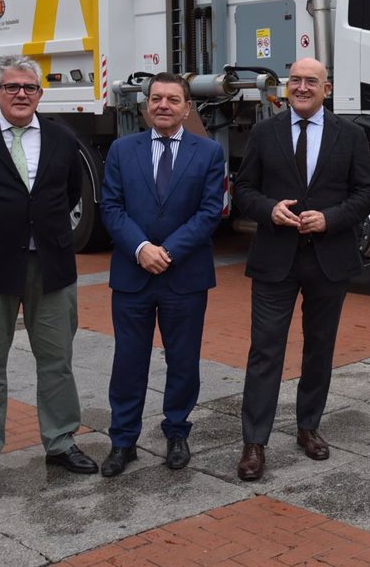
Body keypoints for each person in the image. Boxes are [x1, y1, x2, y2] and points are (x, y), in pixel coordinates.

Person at [0, 55, 98, 490]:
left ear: (40, 94)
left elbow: (68, 195)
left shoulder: (64, 140)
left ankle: (61, 441)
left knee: (56, 360)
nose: (21, 94)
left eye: (29, 87)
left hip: (51, 267)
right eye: (12, 87)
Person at [232, 58, 370, 481]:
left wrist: (331, 218)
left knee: (319, 348)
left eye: (310, 81)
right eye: (294, 80)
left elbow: (367, 192)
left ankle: (308, 426)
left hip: (328, 258)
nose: (301, 87)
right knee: (265, 350)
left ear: (326, 88)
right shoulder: (264, 132)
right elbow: (243, 188)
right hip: (275, 258)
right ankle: (254, 441)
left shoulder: (349, 136)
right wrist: (268, 209)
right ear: (285, 87)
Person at [98, 74, 225, 477]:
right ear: (144, 107)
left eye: (173, 99)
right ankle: (123, 441)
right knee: (128, 361)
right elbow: (112, 208)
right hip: (132, 276)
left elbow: (210, 212)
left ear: (187, 108)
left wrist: (167, 251)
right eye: (156, 99)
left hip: (184, 276)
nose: (163, 105)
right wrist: (141, 249)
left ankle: (176, 432)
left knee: (183, 361)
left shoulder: (208, 153)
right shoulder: (122, 150)